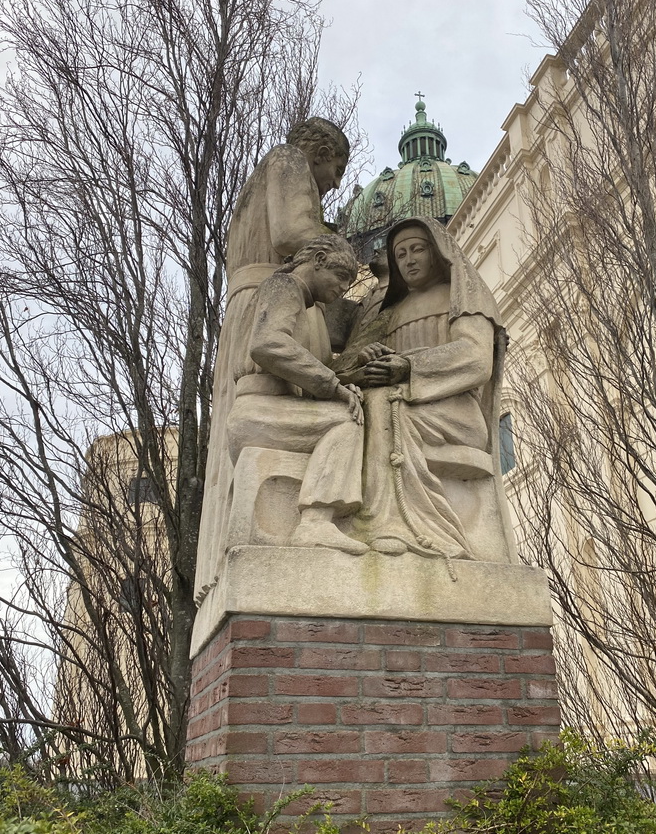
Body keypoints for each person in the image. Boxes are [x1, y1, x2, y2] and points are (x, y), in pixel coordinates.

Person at [196, 118, 350, 598]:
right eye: (337, 167)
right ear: (321, 151)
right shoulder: (288, 160)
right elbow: (289, 234)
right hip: (267, 298)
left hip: (246, 301)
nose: (335, 182)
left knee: (231, 440)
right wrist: (334, 248)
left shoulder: (251, 189)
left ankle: (224, 557)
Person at [337, 216, 511, 562]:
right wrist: (365, 363)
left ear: (438, 253)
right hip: (401, 402)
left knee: (384, 404)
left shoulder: (462, 295)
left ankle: (401, 525)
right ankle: (367, 517)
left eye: (417, 249)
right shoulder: (393, 311)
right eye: (400, 254)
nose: (409, 260)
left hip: (457, 413)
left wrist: (409, 367)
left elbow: (476, 359)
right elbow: (350, 364)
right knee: (363, 405)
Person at [226, 235, 367, 556]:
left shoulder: (297, 304)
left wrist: (347, 380)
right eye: (341, 277)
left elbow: (307, 367)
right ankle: (316, 522)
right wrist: (332, 386)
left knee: (345, 414)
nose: (343, 288)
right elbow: (269, 344)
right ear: (318, 260)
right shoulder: (283, 287)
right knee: (347, 422)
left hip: (273, 410)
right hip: (261, 410)